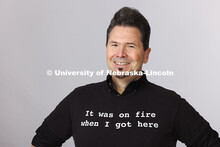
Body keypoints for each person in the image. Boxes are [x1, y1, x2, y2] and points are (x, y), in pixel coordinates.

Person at [31, 7, 220, 147]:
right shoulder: (79, 99)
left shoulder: (170, 104)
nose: (120, 54)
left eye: (130, 46)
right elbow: (41, 142)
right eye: (114, 45)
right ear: (106, 49)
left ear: (146, 54)